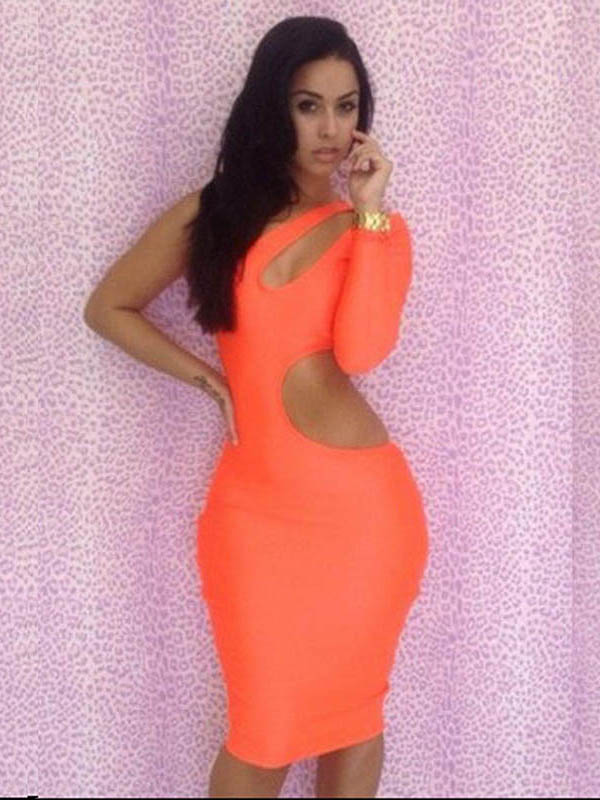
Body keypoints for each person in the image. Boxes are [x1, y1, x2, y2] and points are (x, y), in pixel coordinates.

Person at [83, 16, 429, 799]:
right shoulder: (213, 215)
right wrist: (207, 378)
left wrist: (371, 211)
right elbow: (109, 306)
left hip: (366, 518)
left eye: (346, 106)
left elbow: (362, 351)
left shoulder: (373, 229)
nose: (331, 129)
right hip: (254, 516)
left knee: (354, 721)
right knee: (261, 733)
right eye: (309, 105)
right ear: (271, 107)